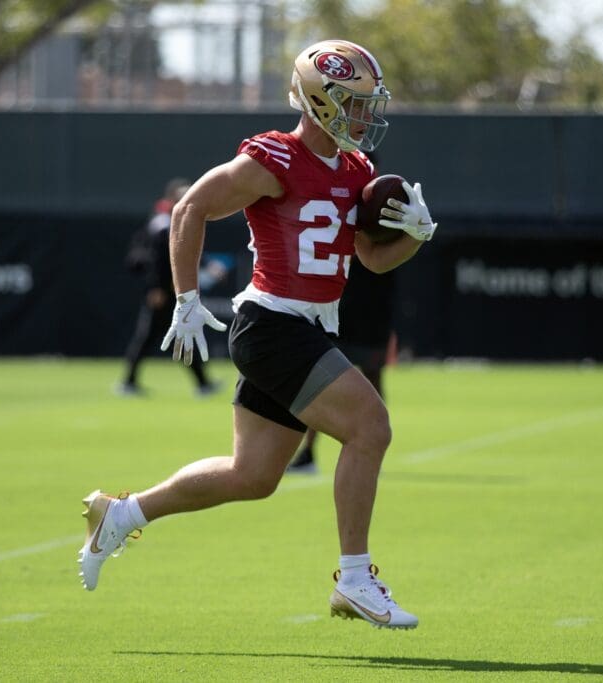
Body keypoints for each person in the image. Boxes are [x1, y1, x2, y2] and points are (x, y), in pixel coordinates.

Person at [78, 40, 437, 630]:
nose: (365, 117)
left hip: (304, 328)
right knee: (371, 427)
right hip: (273, 324)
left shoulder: (356, 170)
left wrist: (415, 236)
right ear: (321, 102)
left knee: (253, 476)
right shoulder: (276, 157)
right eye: (355, 104)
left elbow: (372, 259)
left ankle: (121, 514)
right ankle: (354, 578)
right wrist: (186, 298)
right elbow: (191, 208)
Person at [288, 151, 397, 474]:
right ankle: (308, 452)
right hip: (338, 308)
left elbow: (385, 260)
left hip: (372, 307)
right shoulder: (336, 200)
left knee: (373, 377)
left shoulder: (386, 205)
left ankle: (372, 442)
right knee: (321, 381)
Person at [116, 178, 221, 398]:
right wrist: (156, 288)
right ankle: (128, 383)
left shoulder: (173, 220)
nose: (186, 198)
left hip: (172, 291)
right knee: (150, 336)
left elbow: (183, 252)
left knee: (174, 335)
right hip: (163, 292)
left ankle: (203, 383)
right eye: (182, 195)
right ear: (171, 198)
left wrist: (207, 265)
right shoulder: (163, 223)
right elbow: (157, 259)